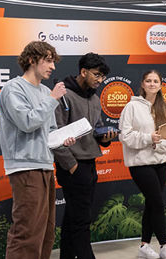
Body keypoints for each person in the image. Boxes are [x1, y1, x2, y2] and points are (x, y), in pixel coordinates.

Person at [0, 41, 75, 259]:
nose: (53, 67)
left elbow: (49, 130)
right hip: (24, 167)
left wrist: (62, 140)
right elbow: (27, 122)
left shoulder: (44, 91)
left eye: (53, 61)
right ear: (32, 60)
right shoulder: (13, 89)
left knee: (45, 231)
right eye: (49, 60)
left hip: (44, 165)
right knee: (27, 232)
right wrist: (52, 99)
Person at [51, 52, 114, 259]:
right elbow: (55, 134)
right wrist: (71, 166)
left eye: (102, 76)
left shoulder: (95, 99)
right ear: (83, 71)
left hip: (90, 164)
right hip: (73, 167)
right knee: (81, 221)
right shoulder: (64, 96)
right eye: (96, 75)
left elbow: (96, 130)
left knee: (73, 218)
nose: (100, 80)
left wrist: (106, 138)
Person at [119, 70, 166, 259]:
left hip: (162, 162)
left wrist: (159, 144)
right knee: (157, 202)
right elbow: (126, 136)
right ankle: (164, 245)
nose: (152, 84)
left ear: (160, 85)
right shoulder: (131, 107)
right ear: (143, 84)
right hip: (140, 163)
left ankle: (144, 246)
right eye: (149, 80)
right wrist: (149, 138)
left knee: (151, 203)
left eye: (156, 81)